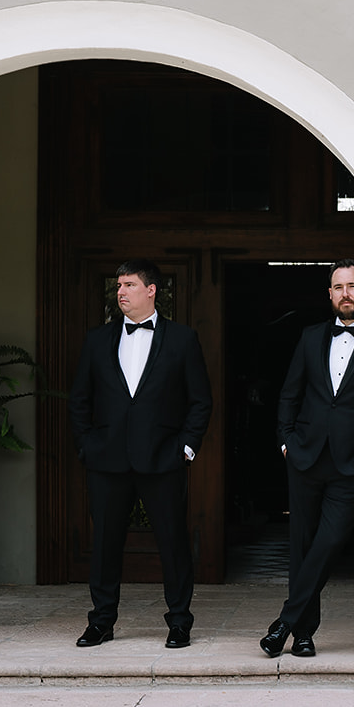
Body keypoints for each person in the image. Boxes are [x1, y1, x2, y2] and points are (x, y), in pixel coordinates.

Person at [69, 260, 213, 649]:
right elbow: (80, 400)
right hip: (106, 460)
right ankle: (101, 621)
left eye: (129, 285)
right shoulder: (97, 340)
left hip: (163, 458)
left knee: (172, 542)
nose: (121, 292)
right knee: (105, 545)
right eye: (118, 285)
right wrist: (87, 445)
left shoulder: (182, 339)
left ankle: (179, 621)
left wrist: (185, 448)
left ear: (152, 291)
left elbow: (200, 401)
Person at [261, 260, 354, 658]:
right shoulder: (310, 337)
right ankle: (303, 634)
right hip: (304, 455)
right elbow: (290, 392)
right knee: (302, 546)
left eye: (352, 286)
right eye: (338, 288)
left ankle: (283, 622)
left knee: (329, 542)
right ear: (330, 294)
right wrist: (285, 440)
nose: (345, 294)